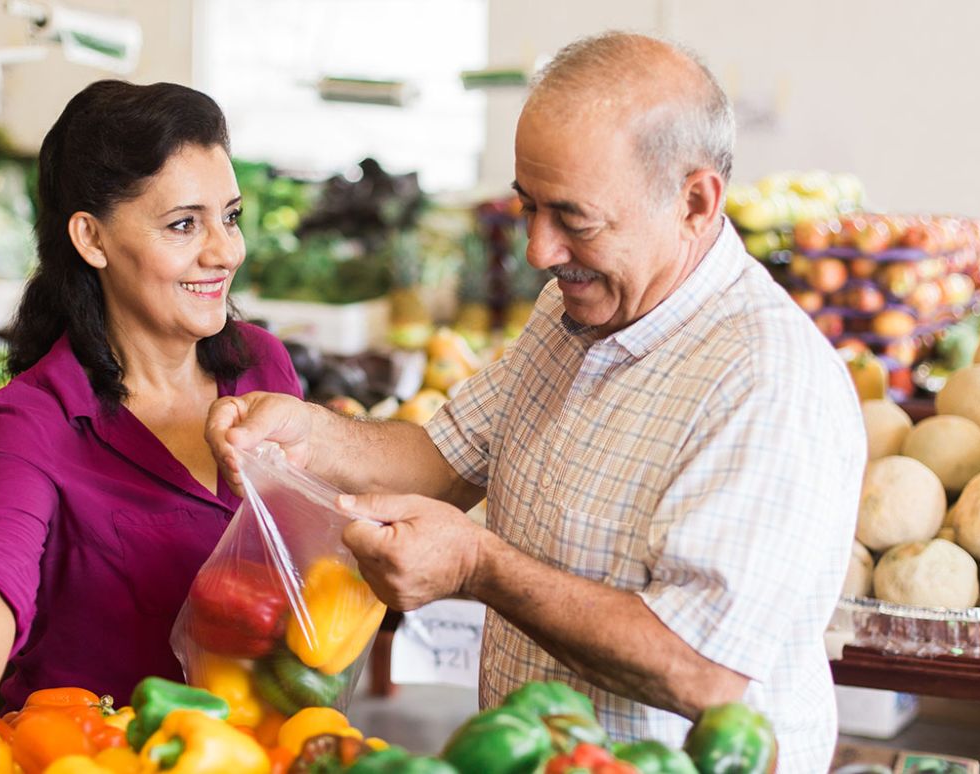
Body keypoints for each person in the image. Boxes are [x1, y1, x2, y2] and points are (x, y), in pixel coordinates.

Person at [208, 32, 864, 770]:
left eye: (574, 219)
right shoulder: (574, 311)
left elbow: (702, 671)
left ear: (694, 201)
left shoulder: (764, 383)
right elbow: (442, 457)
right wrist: (311, 434)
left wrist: (477, 568)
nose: (539, 252)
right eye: (528, 208)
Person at [0, 81, 302, 774]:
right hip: (96, 757)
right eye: (184, 224)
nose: (225, 252)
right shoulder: (37, 417)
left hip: (263, 753)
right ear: (91, 237)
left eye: (230, 216)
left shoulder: (262, 364)